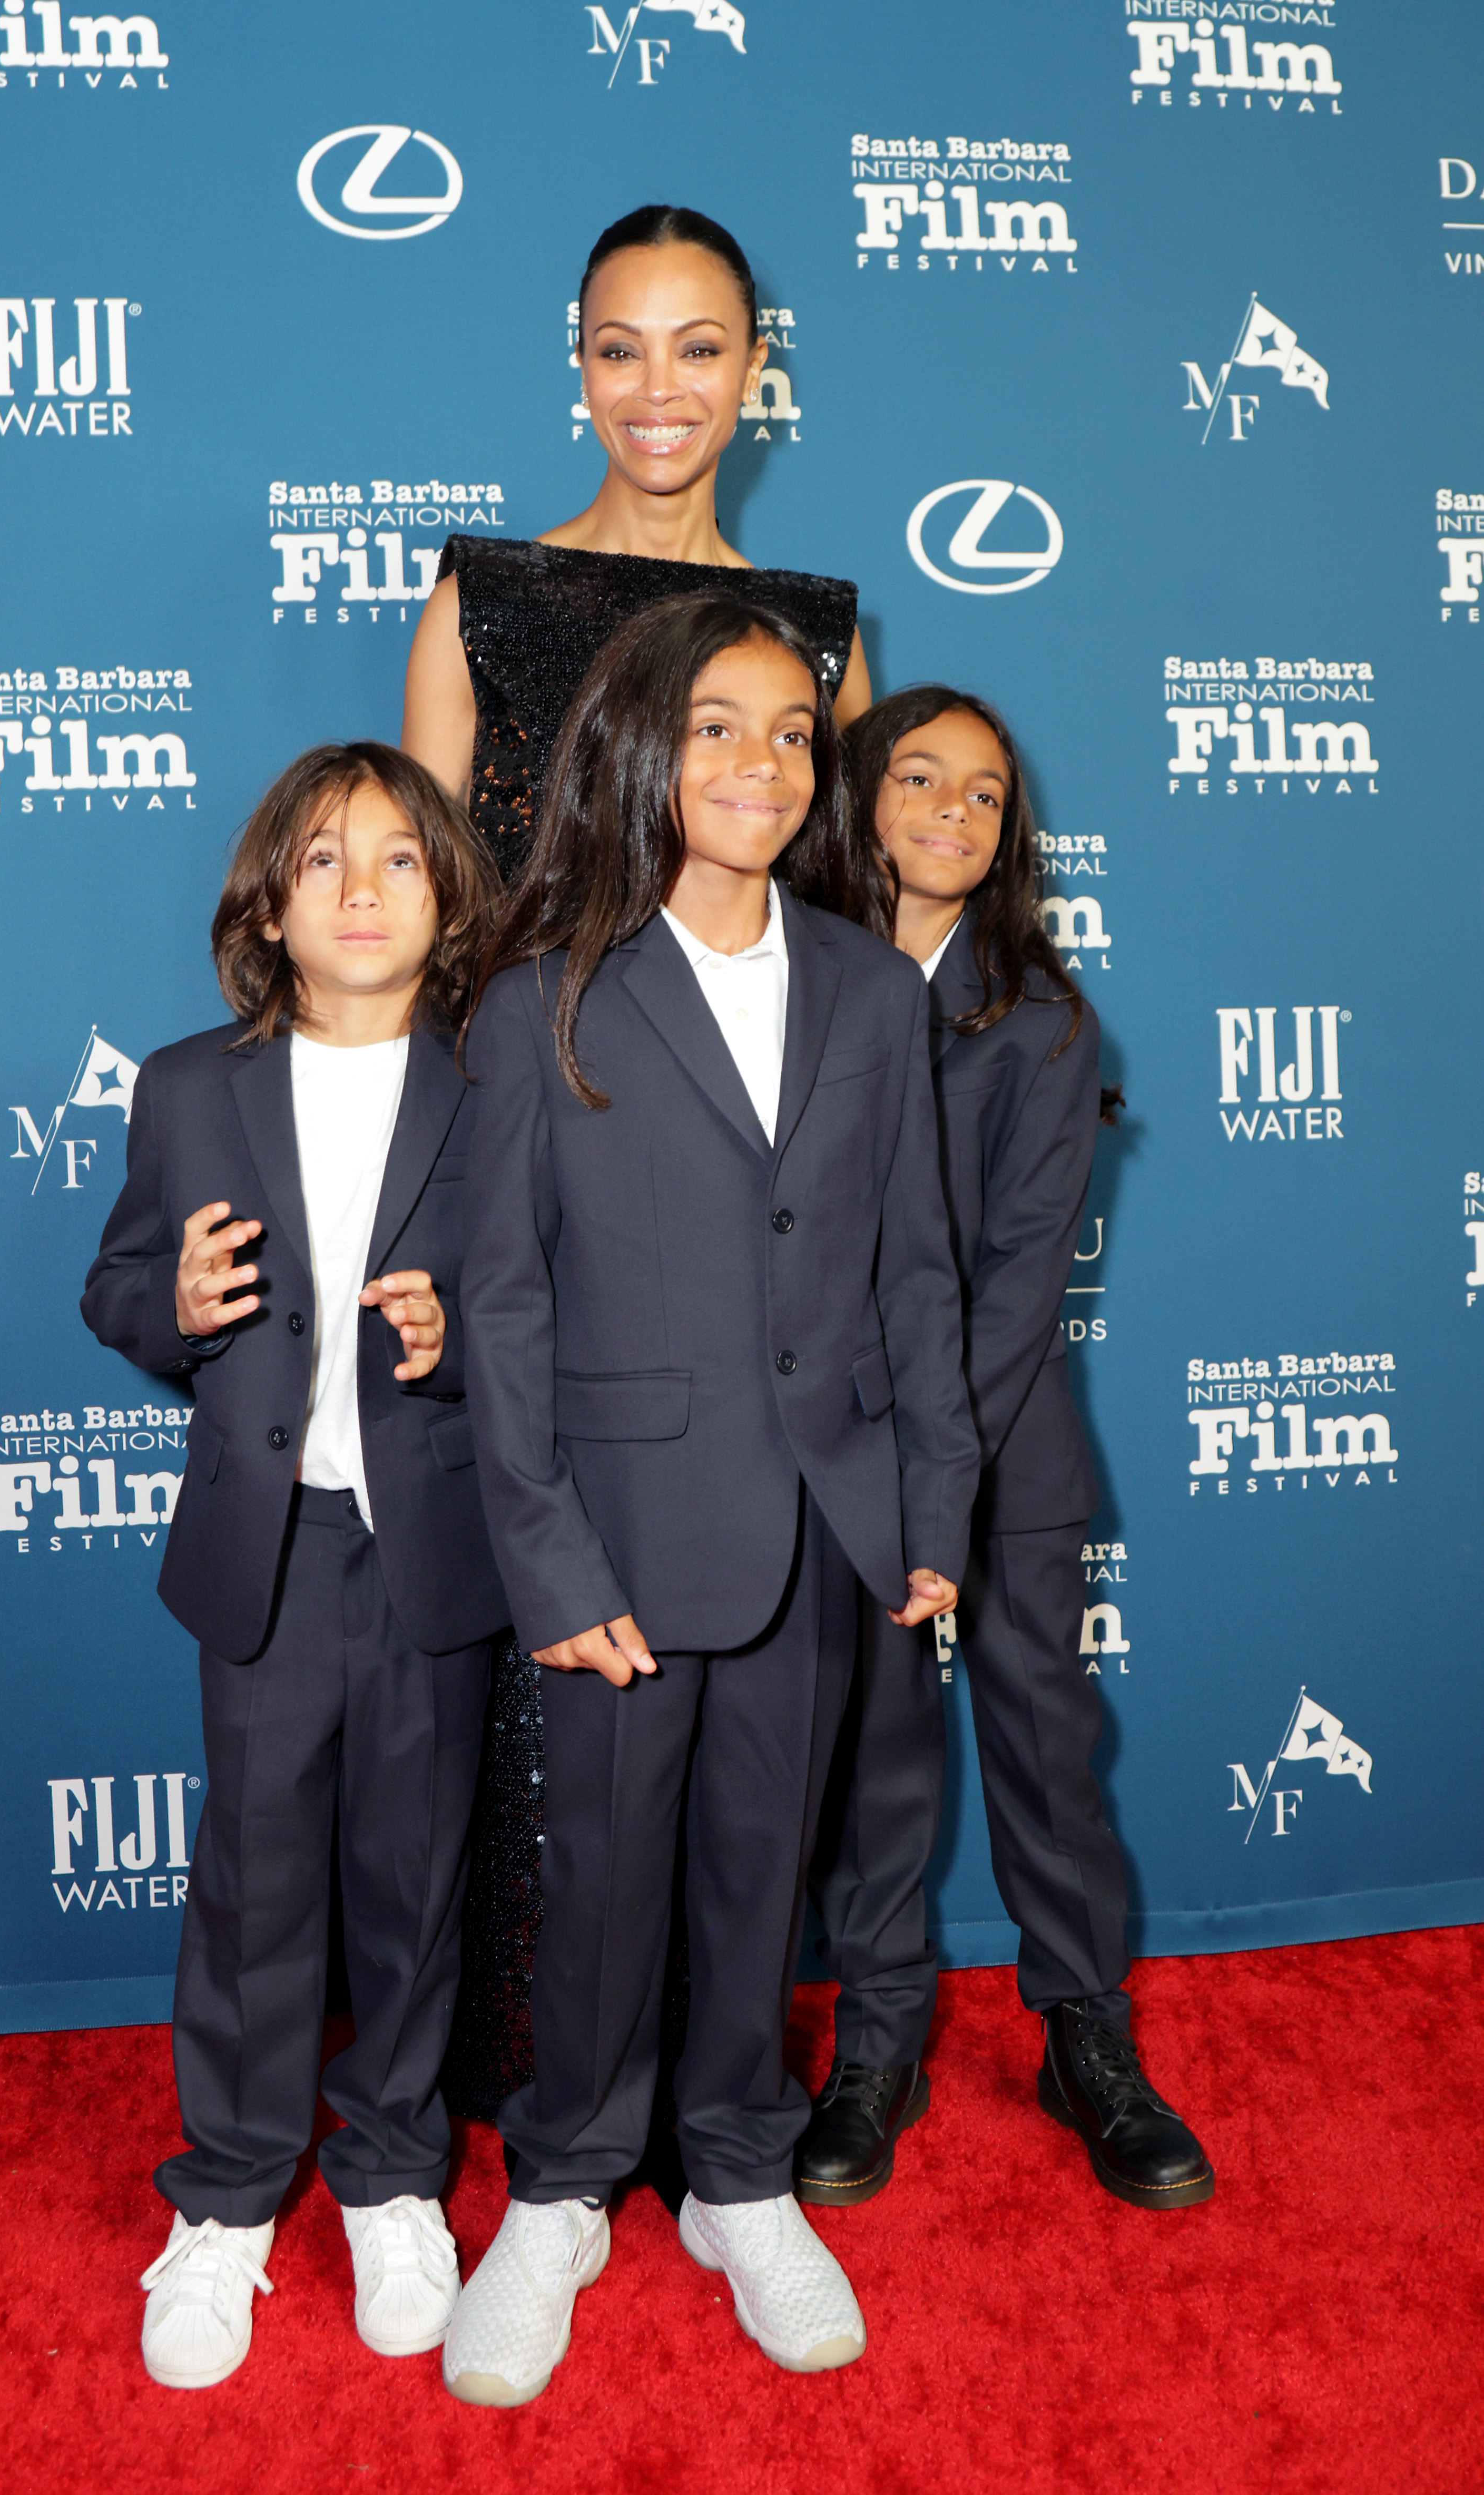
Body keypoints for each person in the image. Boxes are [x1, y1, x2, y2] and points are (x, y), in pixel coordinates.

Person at [440, 597, 978, 2406]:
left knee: (767, 1872)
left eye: (790, 732)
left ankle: (741, 2172)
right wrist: (544, 1547)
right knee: (598, 1883)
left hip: (826, 1525)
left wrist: (926, 1511)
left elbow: (918, 1276)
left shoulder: (861, 987)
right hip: (621, 1542)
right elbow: (502, 1301)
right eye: (716, 727)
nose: (759, 763)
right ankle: (569, 2185)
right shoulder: (546, 997)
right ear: (641, 750)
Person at [402, 200, 876, 2121]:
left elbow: (833, 956)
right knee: (544, 1652)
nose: (659, 390)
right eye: (623, 346)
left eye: (702, 348)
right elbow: (429, 926)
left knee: (733, 1694)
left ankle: (712, 2097)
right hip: (526, 1185)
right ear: (573, 357)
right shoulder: (484, 594)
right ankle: (538, 2105)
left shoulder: (816, 639)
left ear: (761, 366)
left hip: (717, 1240)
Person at [81, 743, 510, 2389]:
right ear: (271, 896)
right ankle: (227, 2200)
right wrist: (174, 1310)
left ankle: (396, 2175)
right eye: (324, 859)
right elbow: (118, 1287)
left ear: (446, 898)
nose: (359, 889)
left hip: (435, 1548)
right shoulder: (189, 1086)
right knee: (256, 1887)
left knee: (413, 1886)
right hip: (268, 1552)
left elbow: (556, 1300)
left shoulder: (496, 1081)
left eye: (399, 861)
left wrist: (463, 1337)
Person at [797, 689, 1214, 2213]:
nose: (954, 815)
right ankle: (877, 2045)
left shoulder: (1045, 1018)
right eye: (921, 779)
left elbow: (1021, 1280)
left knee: (1047, 1744)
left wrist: (938, 1486)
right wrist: (877, 1472)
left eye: (986, 796)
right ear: (860, 793)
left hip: (1003, 1431)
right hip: (833, 1446)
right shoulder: (788, 986)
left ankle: (1086, 2036)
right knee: (876, 1757)